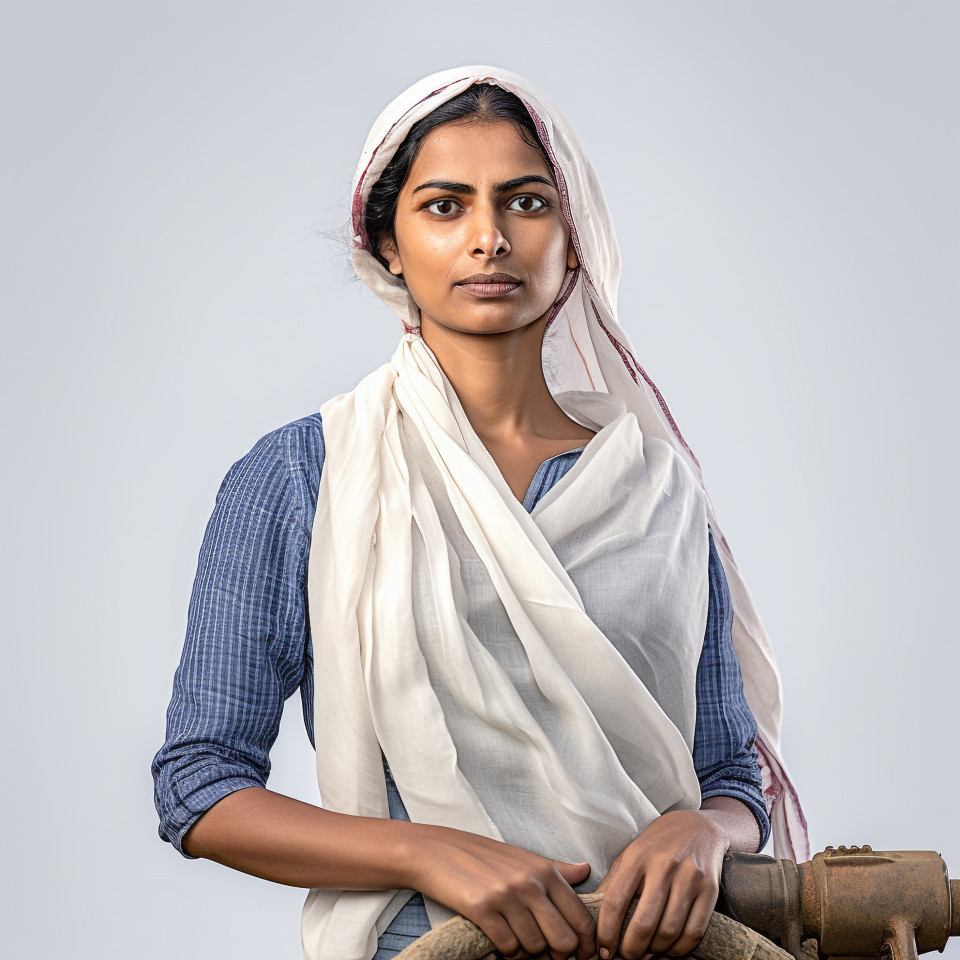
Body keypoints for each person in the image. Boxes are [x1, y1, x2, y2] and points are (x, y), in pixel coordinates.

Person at [152, 66, 808, 960]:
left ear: (576, 241)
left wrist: (704, 832)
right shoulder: (307, 476)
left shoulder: (655, 488)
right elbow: (200, 785)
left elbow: (730, 772)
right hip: (423, 945)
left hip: (655, 945)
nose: (489, 238)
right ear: (387, 243)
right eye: (445, 206)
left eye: (527, 203)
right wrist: (425, 854)